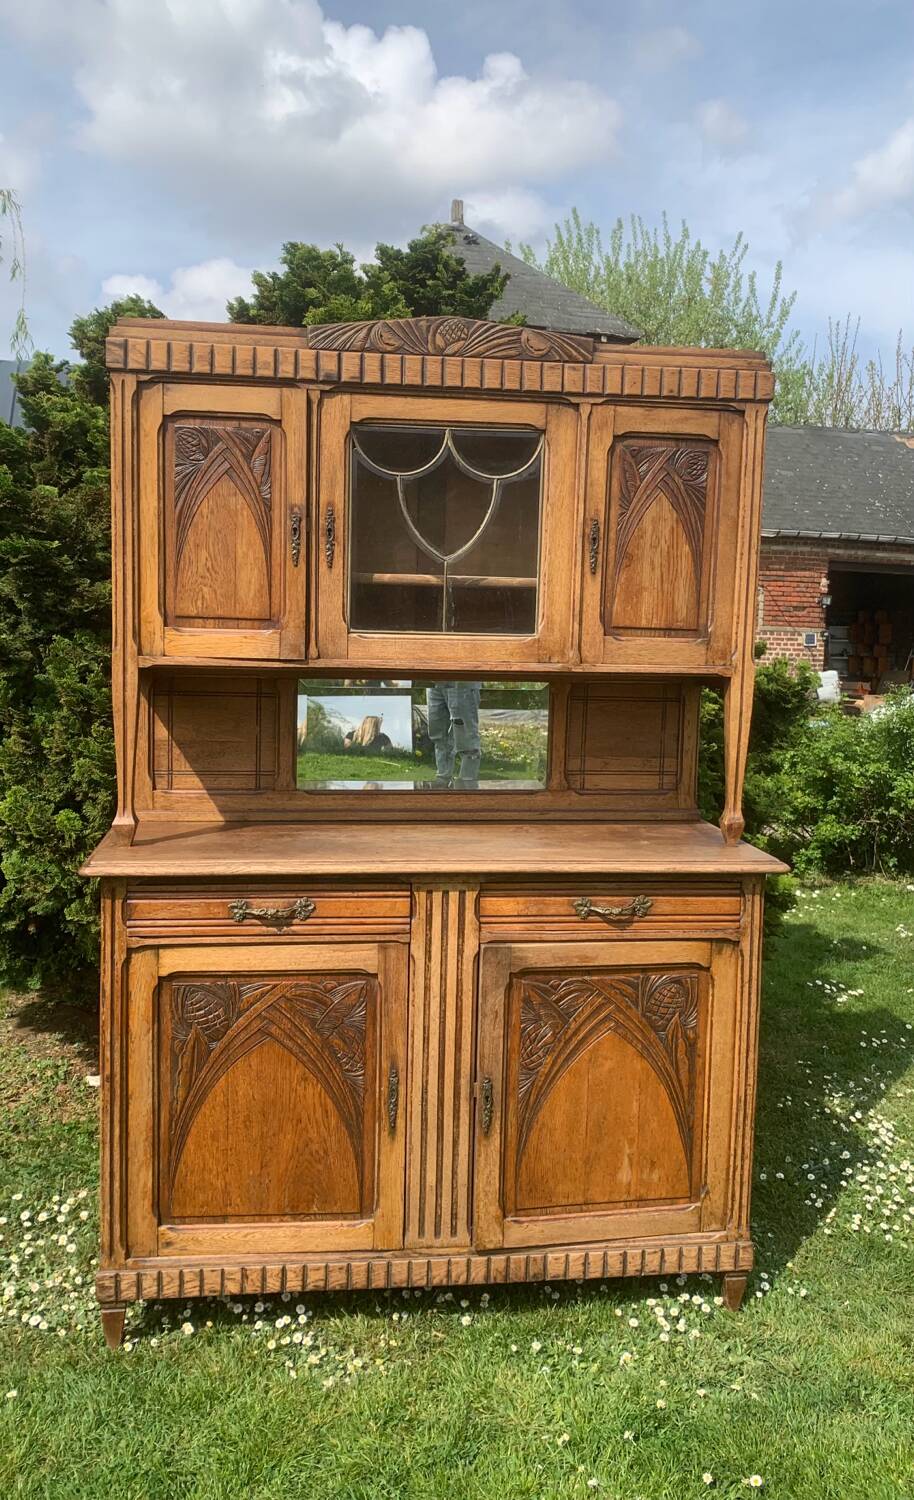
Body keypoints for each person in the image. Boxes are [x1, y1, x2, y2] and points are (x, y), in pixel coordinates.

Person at [425, 682, 482, 788]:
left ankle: (467, 788)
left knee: (467, 739)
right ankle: (443, 779)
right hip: (434, 682)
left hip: (461, 682)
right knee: (438, 736)